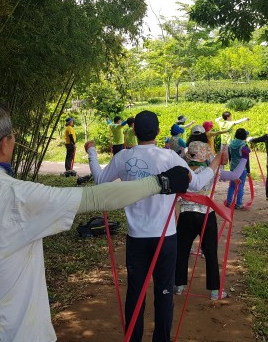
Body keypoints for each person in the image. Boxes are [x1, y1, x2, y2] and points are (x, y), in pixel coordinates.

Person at [0, 100, 192, 342]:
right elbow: (97, 198)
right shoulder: (19, 197)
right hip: (16, 334)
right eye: (12, 136)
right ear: (3, 145)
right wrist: (161, 182)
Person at [85, 110, 226, 342]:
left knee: (135, 294)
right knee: (164, 292)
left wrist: (91, 151)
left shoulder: (124, 157)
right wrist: (218, 160)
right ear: (158, 132)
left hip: (137, 239)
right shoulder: (169, 157)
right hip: (165, 238)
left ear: (133, 132)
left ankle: (134, 338)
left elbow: (100, 181)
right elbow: (198, 182)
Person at [174, 126, 246, 300]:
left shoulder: (183, 172)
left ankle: (179, 286)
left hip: (186, 214)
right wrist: (244, 158)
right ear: (207, 154)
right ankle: (215, 291)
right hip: (206, 215)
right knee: (211, 252)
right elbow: (236, 173)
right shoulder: (211, 172)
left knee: (181, 251)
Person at [224, 128, 251, 209]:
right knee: (240, 186)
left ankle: (229, 202)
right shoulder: (244, 146)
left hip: (233, 167)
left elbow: (230, 156)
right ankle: (239, 203)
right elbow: (247, 159)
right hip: (242, 169)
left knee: (232, 185)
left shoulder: (231, 143)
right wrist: (248, 171)